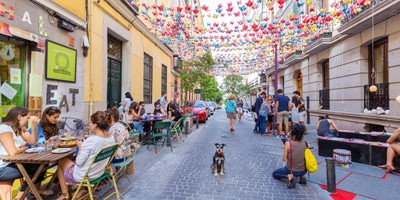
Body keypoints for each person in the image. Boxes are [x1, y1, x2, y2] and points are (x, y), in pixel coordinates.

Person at [56, 111, 115, 200]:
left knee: (61, 161)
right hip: (99, 172)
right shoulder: (111, 138)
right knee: (75, 162)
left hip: (85, 176)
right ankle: (79, 191)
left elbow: (79, 163)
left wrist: (80, 147)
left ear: (95, 125)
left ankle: (65, 194)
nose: (89, 124)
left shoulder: (93, 140)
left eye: (91, 122)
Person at [16, 106, 62, 199]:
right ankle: (26, 193)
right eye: (55, 117)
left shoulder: (53, 126)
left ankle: (36, 190)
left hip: (43, 153)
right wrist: (47, 141)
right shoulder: (38, 126)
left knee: (45, 164)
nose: (57, 119)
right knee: (38, 165)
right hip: (31, 153)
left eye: (58, 117)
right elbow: (33, 143)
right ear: (47, 116)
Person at [0, 107, 40, 200]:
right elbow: (13, 152)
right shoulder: (4, 128)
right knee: (36, 168)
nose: (28, 120)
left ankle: (21, 195)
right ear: (19, 117)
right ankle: (21, 196)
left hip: (12, 163)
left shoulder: (20, 129)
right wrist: (24, 148)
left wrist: (34, 127)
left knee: (40, 166)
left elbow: (33, 142)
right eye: (28, 117)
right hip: (2, 167)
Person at [272, 124, 308, 188]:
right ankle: (301, 176)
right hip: (303, 171)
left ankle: (289, 176)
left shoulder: (288, 144)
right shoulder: (305, 143)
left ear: (293, 133)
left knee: (275, 174)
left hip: (291, 170)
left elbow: (284, 159)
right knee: (299, 171)